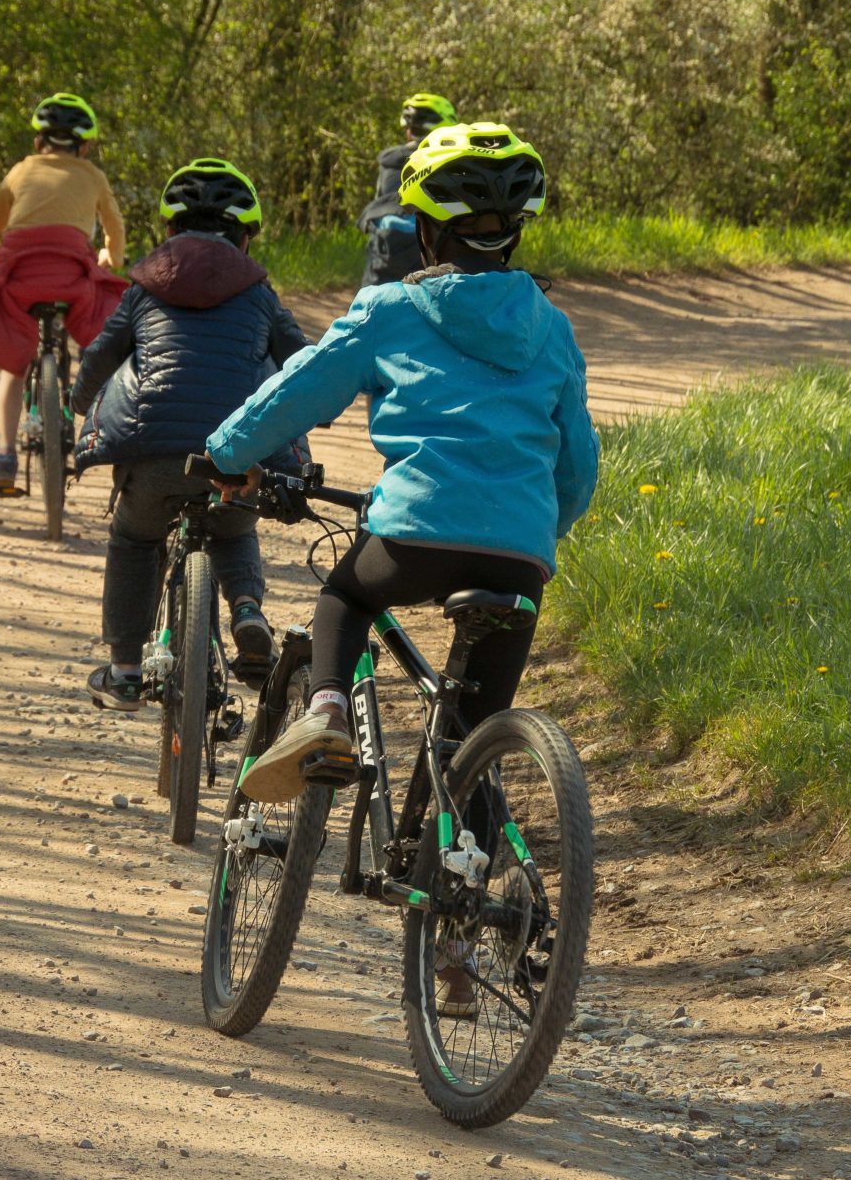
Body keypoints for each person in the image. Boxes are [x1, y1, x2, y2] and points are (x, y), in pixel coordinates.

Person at [208, 121, 597, 801]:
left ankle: (324, 712)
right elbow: (578, 463)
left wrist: (226, 452)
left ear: (424, 230)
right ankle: (463, 876)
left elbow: (298, 390)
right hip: (521, 555)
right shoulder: (552, 326)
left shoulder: (391, 309)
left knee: (344, 594)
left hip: (415, 536)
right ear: (515, 233)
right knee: (474, 738)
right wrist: (538, 529)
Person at [70, 159, 310, 710]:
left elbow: (101, 355)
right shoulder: (259, 294)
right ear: (245, 237)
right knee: (234, 522)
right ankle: (247, 610)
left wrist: (78, 403)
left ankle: (126, 671)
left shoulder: (142, 289)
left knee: (134, 539)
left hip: (153, 454)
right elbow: (300, 362)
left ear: (169, 232)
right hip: (234, 453)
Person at [0, 94, 128, 493]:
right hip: (70, 279)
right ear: (84, 146)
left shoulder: (20, 172)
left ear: (39, 142)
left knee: (15, 364)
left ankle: (5, 453)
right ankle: (85, 410)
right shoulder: (92, 176)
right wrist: (113, 258)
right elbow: (115, 228)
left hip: (21, 278)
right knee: (96, 322)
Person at [356, 92, 458, 288]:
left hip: (385, 247)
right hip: (425, 248)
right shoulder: (449, 161)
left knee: (372, 304)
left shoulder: (388, 160)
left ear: (409, 131)